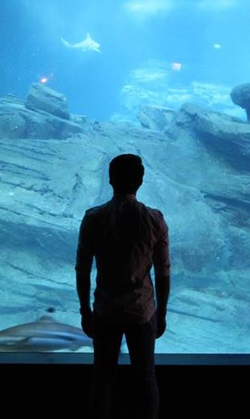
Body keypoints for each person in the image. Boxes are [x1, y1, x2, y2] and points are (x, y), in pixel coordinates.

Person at [75, 153, 171, 419]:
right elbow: (163, 272)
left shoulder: (93, 218)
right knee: (146, 378)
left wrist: (85, 311)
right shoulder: (154, 219)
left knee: (102, 379)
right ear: (140, 181)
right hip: (143, 311)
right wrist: (161, 313)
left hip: (105, 310)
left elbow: (82, 270)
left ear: (110, 180)